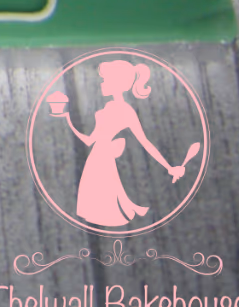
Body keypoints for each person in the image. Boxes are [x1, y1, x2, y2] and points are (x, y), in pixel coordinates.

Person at [61, 60, 187, 227]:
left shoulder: (126, 111)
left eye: (105, 80)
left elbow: (145, 142)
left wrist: (169, 167)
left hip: (104, 158)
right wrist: (68, 120)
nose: (102, 84)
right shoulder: (106, 108)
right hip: (96, 158)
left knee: (105, 202)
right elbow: (90, 140)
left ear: (117, 83)